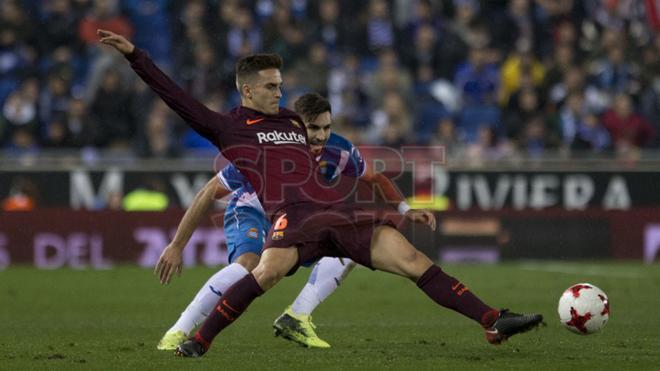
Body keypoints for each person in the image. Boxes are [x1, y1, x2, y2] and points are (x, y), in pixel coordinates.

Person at [98, 29, 543, 358]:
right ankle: (198, 340)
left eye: (281, 84)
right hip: (293, 218)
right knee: (263, 274)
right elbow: (175, 97)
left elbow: (351, 167)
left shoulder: (293, 121)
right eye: (271, 86)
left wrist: (402, 205)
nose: (280, 92)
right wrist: (136, 56)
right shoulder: (228, 128)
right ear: (248, 89)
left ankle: (491, 319)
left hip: (339, 211)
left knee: (413, 261)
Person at [156, 92, 421, 350]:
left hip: (297, 217)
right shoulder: (267, 147)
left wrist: (405, 208)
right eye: (312, 127)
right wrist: (177, 245)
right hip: (253, 210)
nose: (320, 135)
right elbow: (208, 192)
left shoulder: (339, 150)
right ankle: (179, 329)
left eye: (326, 127)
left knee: (349, 246)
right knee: (249, 264)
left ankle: (297, 316)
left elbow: (374, 178)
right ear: (295, 125)